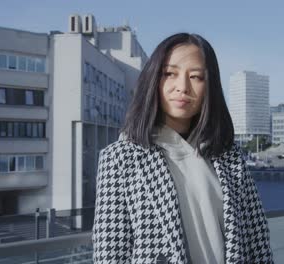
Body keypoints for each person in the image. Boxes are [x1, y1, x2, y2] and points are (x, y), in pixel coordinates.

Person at [92, 33, 273, 264]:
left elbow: (257, 242)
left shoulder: (229, 156)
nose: (182, 87)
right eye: (170, 74)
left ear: (210, 86)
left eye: (196, 76)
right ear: (154, 80)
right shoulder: (119, 158)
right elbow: (110, 255)